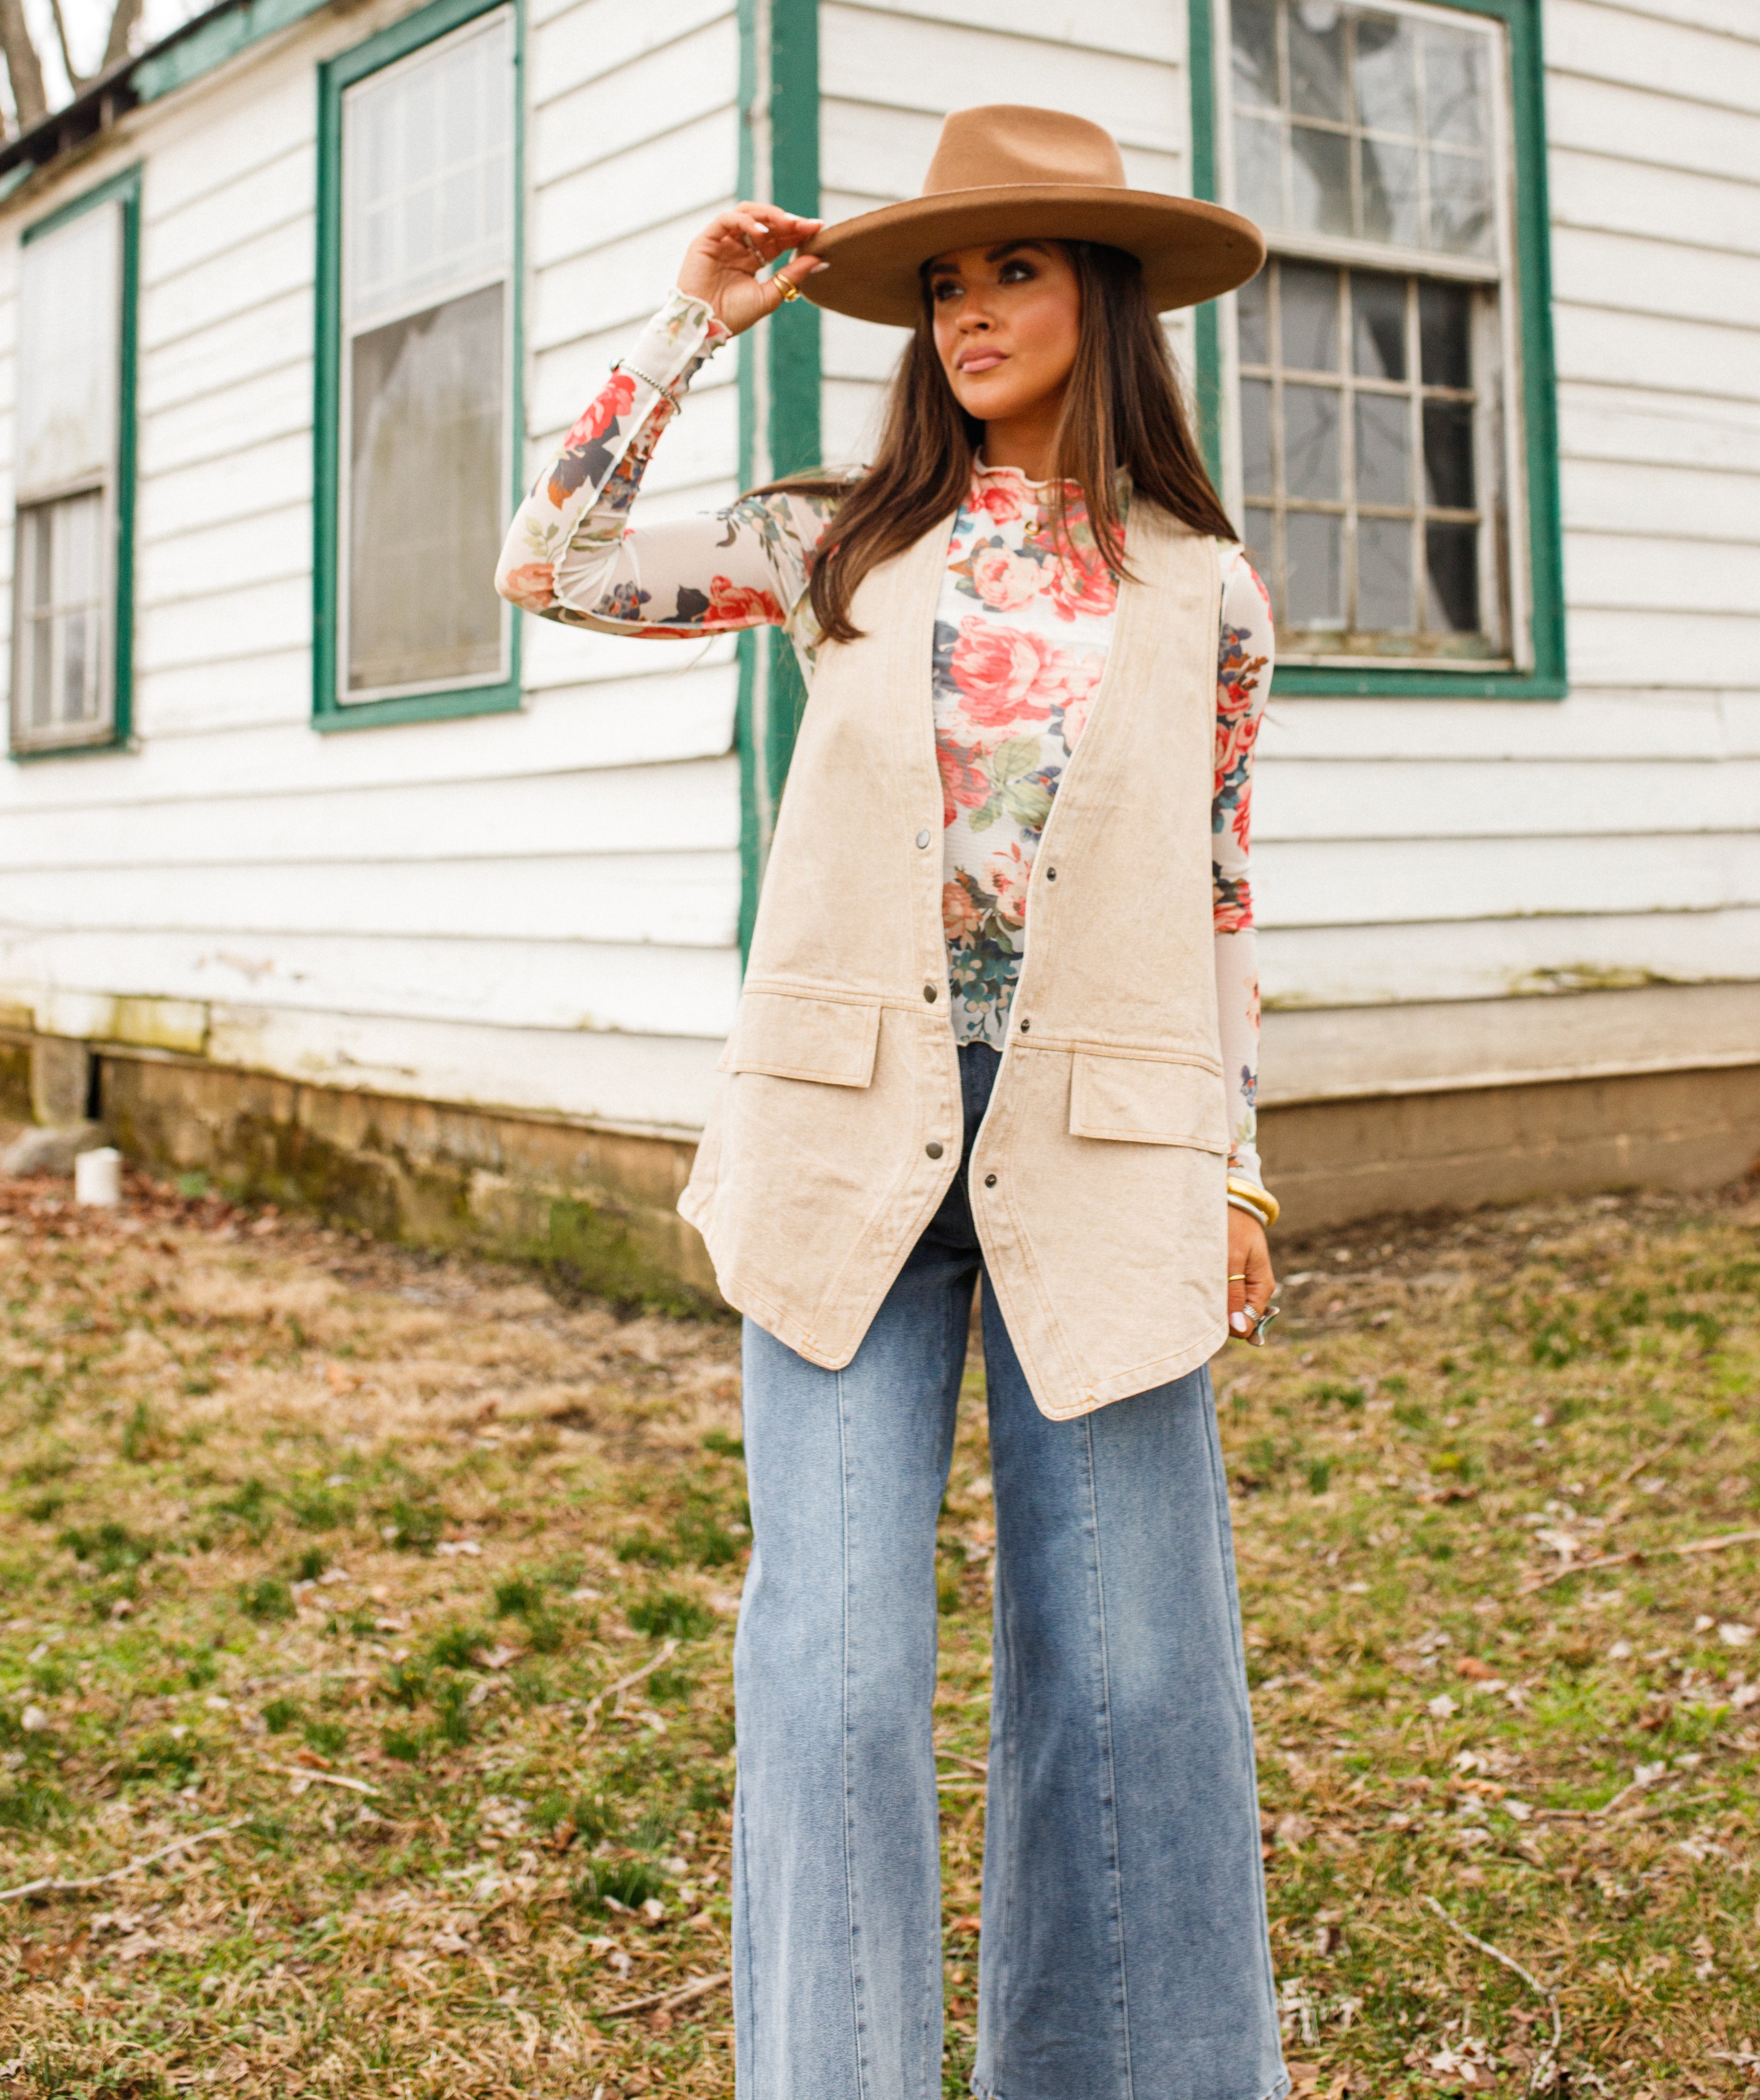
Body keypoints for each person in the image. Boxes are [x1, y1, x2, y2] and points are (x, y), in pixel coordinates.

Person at [496, 102, 1288, 2100]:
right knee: (834, 1683)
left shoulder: (1208, 589)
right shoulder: (830, 539)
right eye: (940, 280)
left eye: (1011, 268)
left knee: (1125, 1688)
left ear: (1100, 293)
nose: (965, 313)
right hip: (842, 1136)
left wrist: (1240, 1177)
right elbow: (552, 562)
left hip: (1102, 1146)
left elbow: (1216, 892)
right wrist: (691, 321)